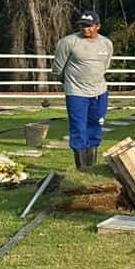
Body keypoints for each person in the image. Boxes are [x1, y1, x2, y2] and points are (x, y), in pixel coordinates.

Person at [51, 9, 114, 169]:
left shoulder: (106, 44)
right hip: (76, 92)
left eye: (89, 26)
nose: (85, 29)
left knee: (96, 126)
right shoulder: (68, 42)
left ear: (98, 26)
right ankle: (81, 167)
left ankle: (92, 166)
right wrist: (67, 84)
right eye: (82, 25)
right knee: (78, 127)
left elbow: (105, 65)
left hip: (99, 91)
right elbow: (58, 68)